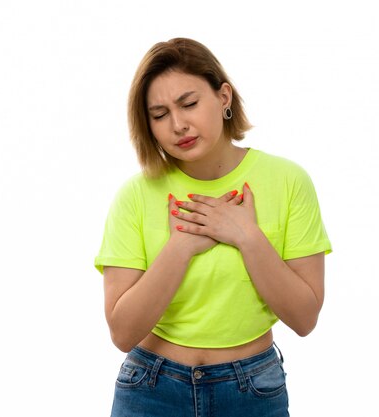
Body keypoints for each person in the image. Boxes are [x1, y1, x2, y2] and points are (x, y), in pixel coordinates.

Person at [94, 37, 332, 417]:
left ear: (224, 97)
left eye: (189, 103)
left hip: (253, 388)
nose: (178, 124)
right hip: (150, 388)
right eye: (159, 114)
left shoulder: (287, 181)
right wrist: (181, 247)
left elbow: (304, 319)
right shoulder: (135, 195)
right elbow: (122, 333)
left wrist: (247, 236)